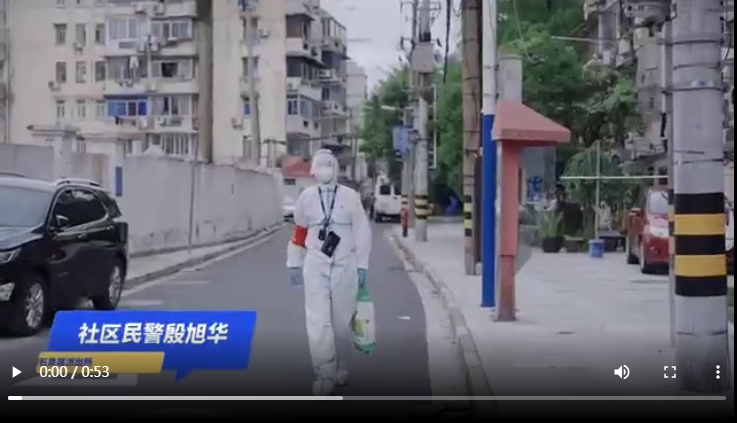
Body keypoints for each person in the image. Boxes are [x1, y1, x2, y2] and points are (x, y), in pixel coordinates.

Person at [286, 149, 372, 396]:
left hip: (345, 264)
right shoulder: (306, 198)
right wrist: (294, 261)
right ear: (313, 170)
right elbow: (299, 231)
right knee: (317, 320)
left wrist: (362, 265)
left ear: (335, 170)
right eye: (320, 165)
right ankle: (324, 372)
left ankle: (341, 364)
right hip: (315, 263)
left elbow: (362, 231)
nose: (325, 170)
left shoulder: (350, 197)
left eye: (328, 165)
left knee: (342, 321)